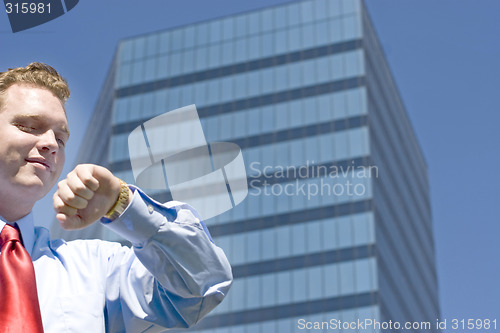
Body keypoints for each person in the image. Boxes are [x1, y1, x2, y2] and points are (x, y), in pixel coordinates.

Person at [0, 62, 232, 332]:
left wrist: (123, 203)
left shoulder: (97, 270)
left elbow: (203, 286)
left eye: (61, 139)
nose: (51, 143)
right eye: (29, 126)